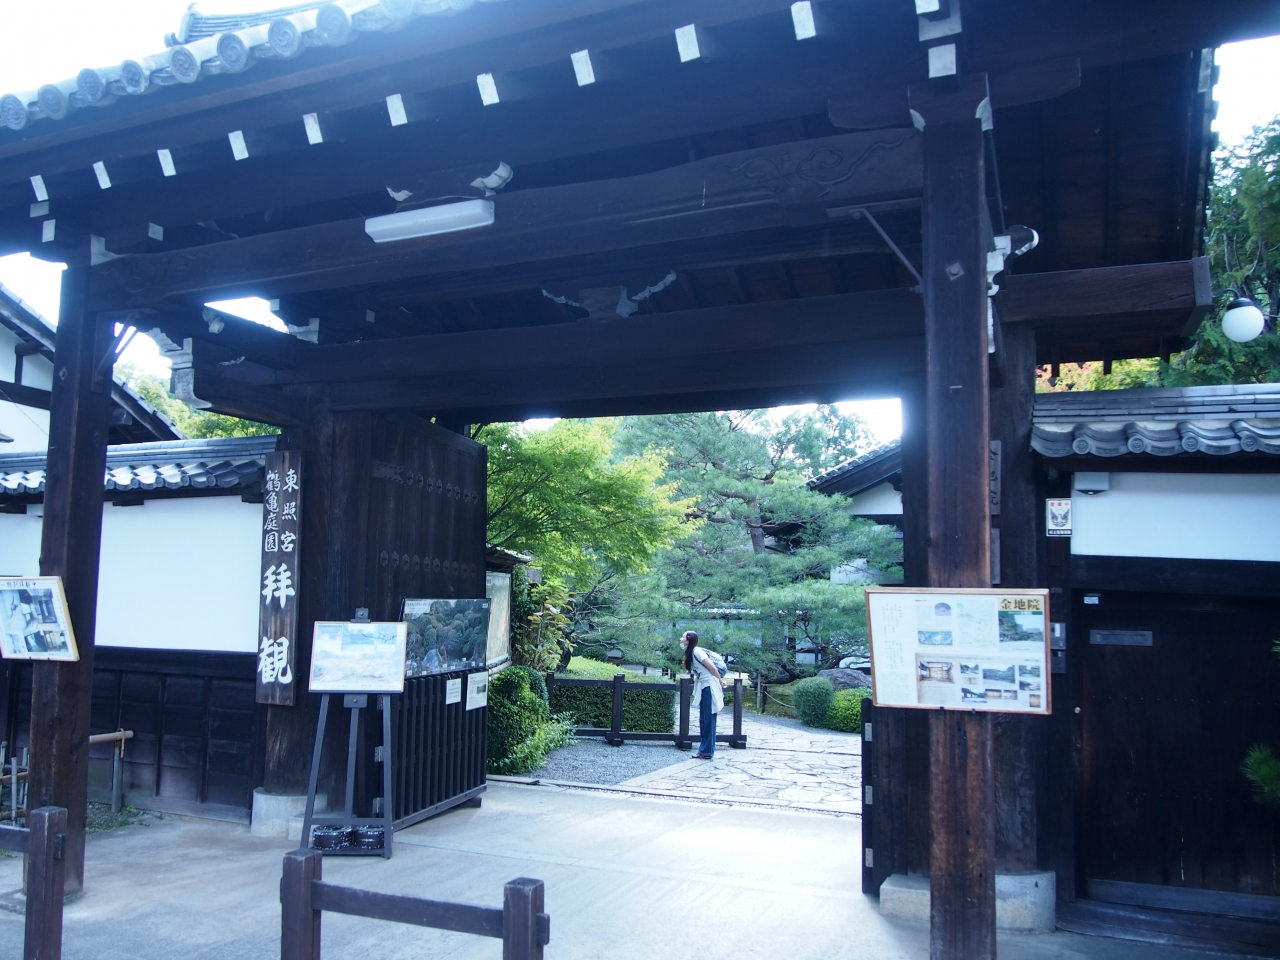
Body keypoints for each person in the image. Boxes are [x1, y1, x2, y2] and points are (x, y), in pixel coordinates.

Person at [679, 630, 725, 759]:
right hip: (705, 686)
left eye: (683, 637)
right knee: (705, 719)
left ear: (689, 640)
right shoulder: (692, 652)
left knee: (708, 719)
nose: (681, 639)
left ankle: (706, 751)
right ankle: (705, 750)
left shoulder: (697, 652)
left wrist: (720, 680)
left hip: (709, 686)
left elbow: (712, 667)